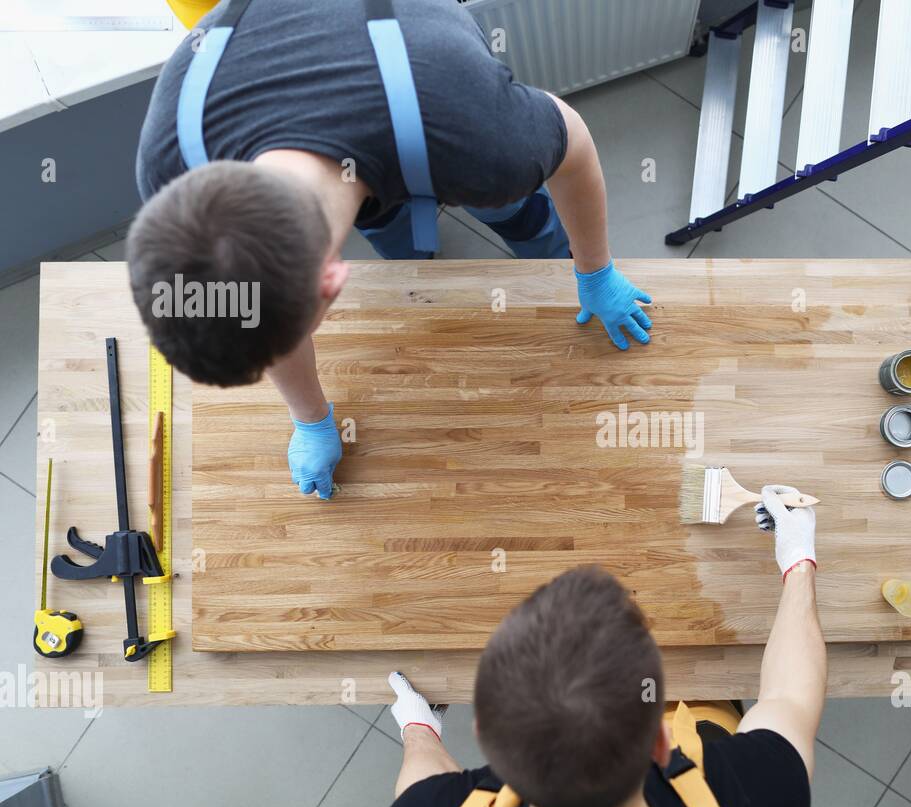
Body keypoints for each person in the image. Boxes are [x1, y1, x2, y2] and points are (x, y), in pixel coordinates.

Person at [127, 0, 653, 500]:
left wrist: (595, 270)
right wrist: (309, 418)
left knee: (511, 209)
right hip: (397, 132)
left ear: (334, 281)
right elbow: (252, 308)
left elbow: (574, 147)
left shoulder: (482, 140)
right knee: (395, 231)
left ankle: (547, 254)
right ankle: (406, 240)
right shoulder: (170, 157)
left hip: (427, 94)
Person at [379, 486, 824, 807]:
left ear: (483, 732)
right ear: (661, 743)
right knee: (711, 705)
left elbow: (423, 788)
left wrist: (420, 729)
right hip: (700, 745)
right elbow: (789, 700)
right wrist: (798, 560)